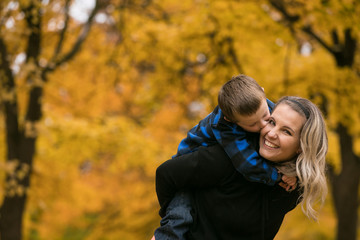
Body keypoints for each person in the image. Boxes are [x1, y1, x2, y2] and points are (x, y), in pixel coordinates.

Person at [155, 96, 328, 240]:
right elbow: (166, 174)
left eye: (286, 131)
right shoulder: (230, 157)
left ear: (302, 147)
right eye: (272, 122)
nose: (271, 133)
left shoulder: (292, 187)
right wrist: (173, 221)